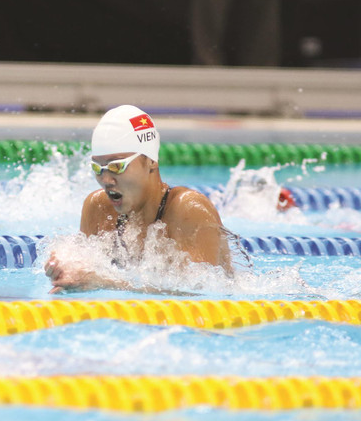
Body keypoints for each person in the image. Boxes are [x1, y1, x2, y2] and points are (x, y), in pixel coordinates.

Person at [44, 105, 232, 293]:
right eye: (97, 168)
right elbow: (88, 277)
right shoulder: (97, 208)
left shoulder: (189, 210)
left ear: (151, 161)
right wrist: (67, 276)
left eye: (117, 166)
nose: (106, 180)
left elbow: (202, 296)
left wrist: (107, 283)